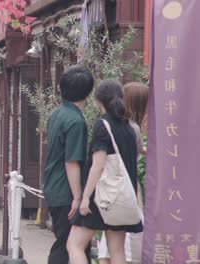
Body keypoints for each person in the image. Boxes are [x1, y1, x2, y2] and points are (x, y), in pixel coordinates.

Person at [67, 80, 143, 264]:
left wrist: (85, 197)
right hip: (121, 195)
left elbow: (98, 165)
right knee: (117, 251)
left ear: (97, 101)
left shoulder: (103, 125)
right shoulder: (129, 127)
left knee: (74, 245)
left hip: (101, 194)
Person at [43, 65, 94, 264]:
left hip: (54, 187)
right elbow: (71, 162)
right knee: (70, 245)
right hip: (66, 191)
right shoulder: (76, 121)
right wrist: (78, 196)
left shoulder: (57, 113)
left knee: (68, 242)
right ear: (88, 92)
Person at [98, 82, 148, 264]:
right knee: (125, 243)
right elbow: (141, 150)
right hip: (128, 188)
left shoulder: (114, 124)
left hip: (113, 187)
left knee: (110, 241)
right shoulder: (132, 128)